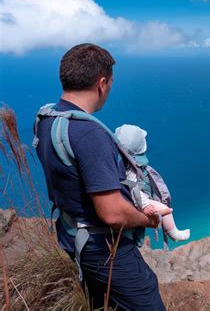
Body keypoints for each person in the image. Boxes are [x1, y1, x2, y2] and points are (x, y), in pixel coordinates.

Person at [34, 43, 170, 310]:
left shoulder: (47, 118)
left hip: (71, 239)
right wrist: (148, 219)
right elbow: (112, 213)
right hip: (105, 251)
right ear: (102, 83)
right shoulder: (90, 134)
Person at [115, 124, 190, 242]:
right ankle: (175, 234)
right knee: (165, 210)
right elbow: (134, 189)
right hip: (137, 200)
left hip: (125, 197)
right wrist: (145, 206)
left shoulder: (117, 161)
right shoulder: (131, 168)